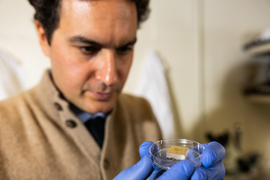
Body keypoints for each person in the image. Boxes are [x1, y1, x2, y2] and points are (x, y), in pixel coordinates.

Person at [0, 0, 225, 179]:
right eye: (87, 48)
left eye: (125, 48)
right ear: (43, 37)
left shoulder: (142, 112)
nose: (110, 77)